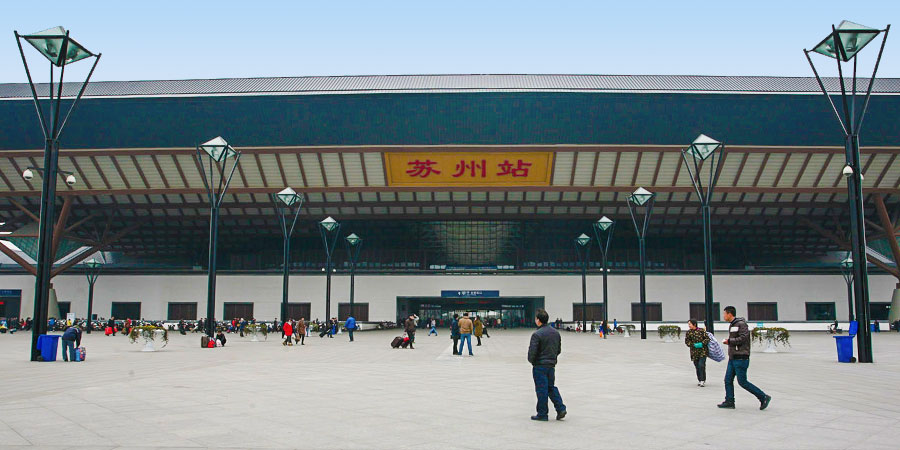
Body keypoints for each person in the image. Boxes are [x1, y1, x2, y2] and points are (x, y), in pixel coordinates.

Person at [719, 306, 771, 410]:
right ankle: (730, 401)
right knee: (728, 380)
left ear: (730, 314)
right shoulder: (732, 325)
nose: (723, 316)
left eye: (724, 314)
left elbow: (743, 338)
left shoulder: (741, 324)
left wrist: (729, 341)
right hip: (733, 357)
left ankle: (763, 397)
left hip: (741, 357)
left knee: (742, 382)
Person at [528, 308, 566, 421]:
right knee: (551, 387)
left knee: (541, 389)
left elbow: (532, 353)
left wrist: (533, 361)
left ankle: (542, 413)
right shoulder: (555, 333)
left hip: (540, 366)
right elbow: (558, 350)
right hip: (551, 365)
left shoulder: (537, 334)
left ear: (538, 320)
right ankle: (560, 408)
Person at [684, 319, 710, 387]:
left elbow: (707, 339)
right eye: (688, 324)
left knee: (701, 365)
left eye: (690, 324)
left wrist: (702, 344)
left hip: (703, 351)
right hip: (694, 352)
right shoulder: (688, 332)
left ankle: (702, 380)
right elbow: (687, 342)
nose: (689, 325)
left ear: (694, 324)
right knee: (697, 366)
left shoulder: (701, 331)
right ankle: (699, 379)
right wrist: (693, 345)